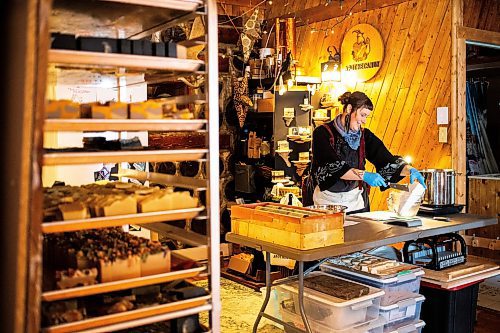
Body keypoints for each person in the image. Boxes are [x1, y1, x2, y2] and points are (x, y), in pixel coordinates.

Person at [312, 91, 426, 213]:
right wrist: (364, 175)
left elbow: (386, 160)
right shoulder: (322, 133)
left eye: (366, 116)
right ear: (349, 109)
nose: (364, 120)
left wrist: (409, 170)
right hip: (327, 203)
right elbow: (333, 166)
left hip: (356, 203)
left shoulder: (364, 136)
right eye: (362, 115)